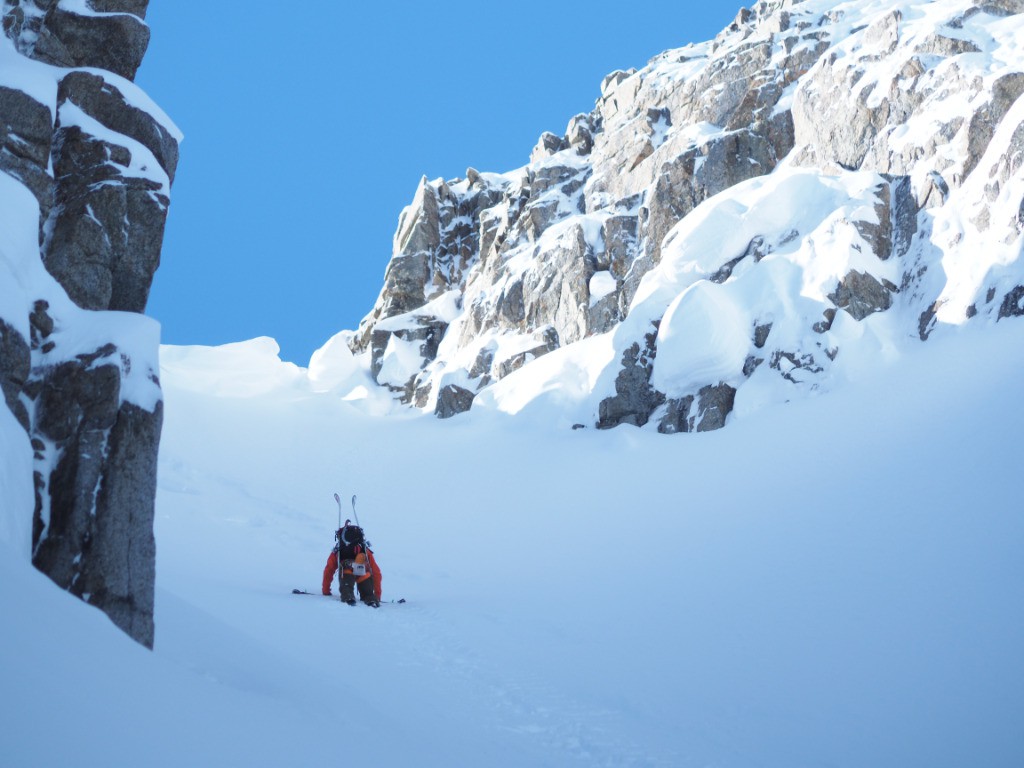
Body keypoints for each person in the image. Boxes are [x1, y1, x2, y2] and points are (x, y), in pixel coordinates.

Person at [322, 522, 382, 607]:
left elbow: (329, 570)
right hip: (362, 571)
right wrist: (377, 595)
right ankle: (370, 598)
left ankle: (348, 596)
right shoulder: (364, 549)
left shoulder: (338, 550)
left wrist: (326, 591)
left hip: (347, 571)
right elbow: (376, 572)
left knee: (346, 570)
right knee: (364, 573)